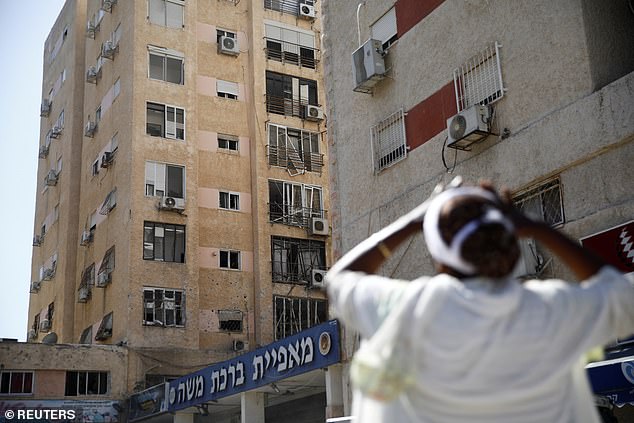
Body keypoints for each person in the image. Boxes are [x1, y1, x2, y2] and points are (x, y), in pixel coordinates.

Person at [326, 179, 634, 423]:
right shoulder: (550, 310)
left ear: (438, 255)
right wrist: (537, 227)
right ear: (512, 246)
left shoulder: (407, 309)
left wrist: (414, 221)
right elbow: (622, 296)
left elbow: (340, 279)